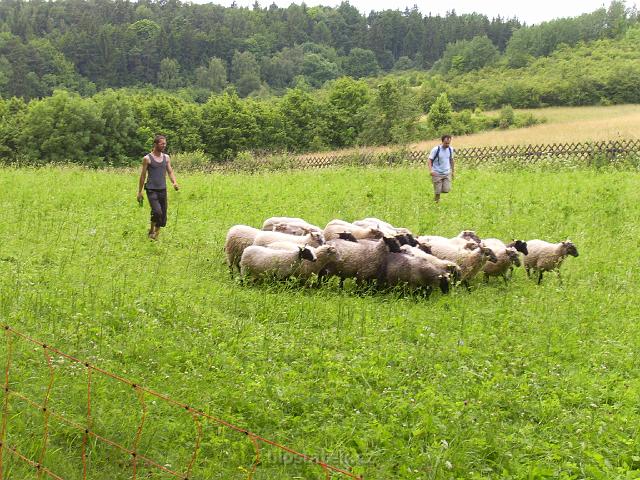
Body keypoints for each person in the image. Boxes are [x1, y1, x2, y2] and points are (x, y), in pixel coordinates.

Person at [137, 135, 179, 240]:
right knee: (157, 211)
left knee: (163, 213)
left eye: (165, 143)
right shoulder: (147, 159)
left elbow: (170, 171)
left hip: (162, 189)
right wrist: (140, 191)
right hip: (151, 189)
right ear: (155, 144)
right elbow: (143, 176)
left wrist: (174, 182)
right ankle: (153, 232)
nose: (164, 145)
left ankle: (155, 233)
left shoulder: (166, 157)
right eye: (162, 143)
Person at [428, 135, 455, 203]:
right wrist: (431, 170)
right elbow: (430, 160)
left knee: (447, 189)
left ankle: (439, 189)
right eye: (446, 143)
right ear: (442, 141)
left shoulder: (450, 149)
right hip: (436, 173)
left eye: (449, 143)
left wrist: (453, 171)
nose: (447, 145)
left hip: (446, 172)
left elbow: (451, 160)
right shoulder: (436, 149)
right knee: (437, 191)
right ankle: (436, 202)